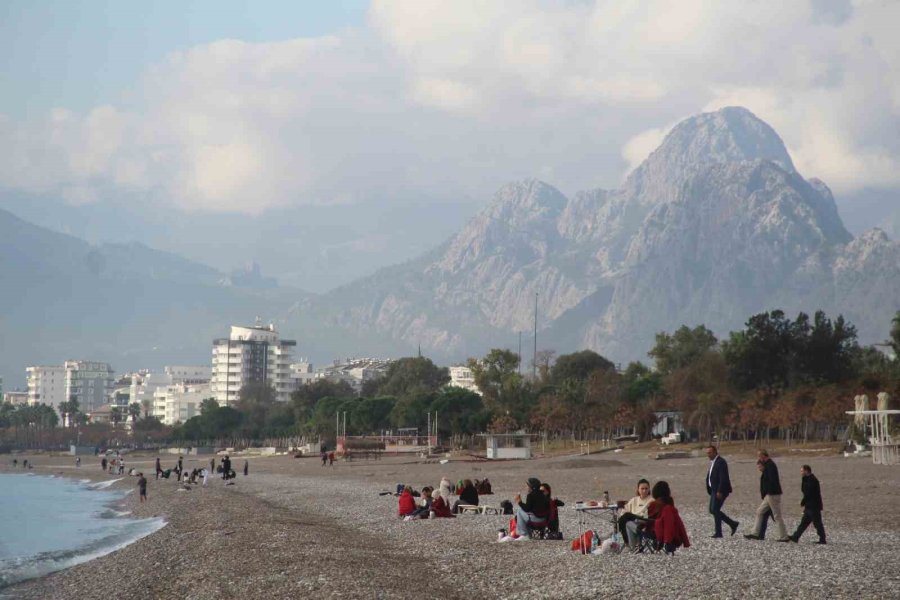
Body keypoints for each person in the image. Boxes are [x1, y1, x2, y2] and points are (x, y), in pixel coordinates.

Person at [745, 450, 790, 542]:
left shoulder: (770, 465)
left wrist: (768, 491)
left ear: (763, 456)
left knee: (777, 516)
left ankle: (784, 536)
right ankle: (755, 533)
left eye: (759, 456)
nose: (758, 458)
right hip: (769, 495)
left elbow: (772, 480)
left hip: (772, 494)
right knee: (760, 512)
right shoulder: (768, 465)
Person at [705, 445, 739, 538]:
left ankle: (719, 533)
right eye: (707, 453)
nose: (708, 454)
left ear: (715, 452)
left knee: (715, 509)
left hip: (720, 490)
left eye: (710, 452)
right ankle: (732, 523)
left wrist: (720, 491)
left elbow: (723, 478)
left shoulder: (721, 462)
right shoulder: (713, 462)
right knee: (712, 510)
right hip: (713, 490)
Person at [789, 465, 826, 544]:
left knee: (817, 523)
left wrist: (803, 501)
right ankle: (795, 537)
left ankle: (823, 539)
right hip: (809, 505)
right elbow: (805, 491)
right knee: (804, 522)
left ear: (806, 471)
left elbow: (809, 493)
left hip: (814, 506)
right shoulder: (806, 479)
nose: (801, 473)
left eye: (802, 471)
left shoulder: (812, 480)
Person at [653, 480, 690, 554]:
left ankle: (667, 541)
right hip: (669, 532)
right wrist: (685, 541)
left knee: (666, 515)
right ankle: (668, 541)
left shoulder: (653, 505)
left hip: (654, 530)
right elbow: (680, 523)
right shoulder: (671, 507)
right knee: (668, 514)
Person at [618, 479, 653, 548]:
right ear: (638, 489)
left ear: (649, 489)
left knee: (626, 517)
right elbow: (625, 510)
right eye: (642, 488)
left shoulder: (651, 500)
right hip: (632, 520)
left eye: (646, 488)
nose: (644, 491)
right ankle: (634, 545)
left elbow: (648, 515)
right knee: (626, 521)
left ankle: (627, 542)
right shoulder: (634, 500)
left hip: (643, 520)